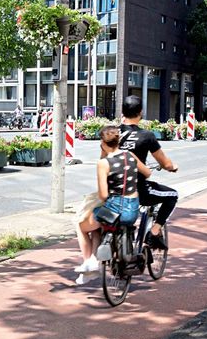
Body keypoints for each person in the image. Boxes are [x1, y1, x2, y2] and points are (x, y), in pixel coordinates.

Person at [74, 125, 152, 278]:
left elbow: (103, 195)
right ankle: (94, 259)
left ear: (102, 143)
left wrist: (103, 156)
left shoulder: (104, 163)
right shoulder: (130, 155)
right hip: (132, 210)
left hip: (114, 211)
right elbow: (147, 173)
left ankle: (88, 261)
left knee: (81, 224)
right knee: (97, 222)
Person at [118, 96, 178, 251]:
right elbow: (165, 163)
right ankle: (154, 231)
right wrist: (172, 167)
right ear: (141, 113)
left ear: (122, 112)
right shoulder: (147, 136)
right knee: (172, 195)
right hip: (139, 191)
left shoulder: (112, 133)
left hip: (114, 189)